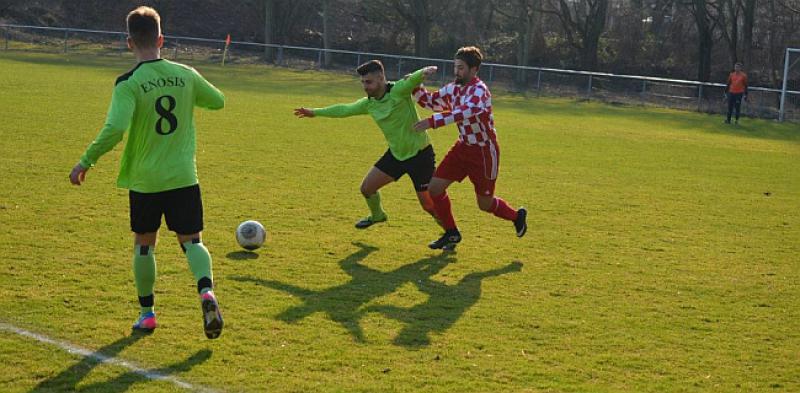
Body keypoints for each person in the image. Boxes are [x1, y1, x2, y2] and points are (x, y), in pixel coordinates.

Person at [68, 6, 225, 339]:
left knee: (144, 245)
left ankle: (147, 314)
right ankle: (206, 292)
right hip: (183, 176)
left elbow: (115, 129)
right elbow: (218, 101)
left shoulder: (128, 83)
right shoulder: (186, 73)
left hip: (146, 180)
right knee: (192, 241)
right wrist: (189, 94)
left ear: (129, 43)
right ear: (161, 39)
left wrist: (86, 160)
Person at [294, 61, 442, 229]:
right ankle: (378, 215)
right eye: (363, 82)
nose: (365, 86)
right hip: (396, 155)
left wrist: (423, 71)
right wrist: (314, 112)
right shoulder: (369, 104)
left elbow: (411, 81)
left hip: (420, 156)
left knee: (429, 205)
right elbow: (344, 110)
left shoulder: (398, 91)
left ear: (381, 78)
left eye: (369, 82)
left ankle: (449, 232)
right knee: (367, 188)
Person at [413, 46, 527, 250]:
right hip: (462, 147)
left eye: (461, 68)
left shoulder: (479, 91)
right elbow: (430, 102)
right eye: (455, 67)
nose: (457, 72)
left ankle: (516, 216)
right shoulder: (453, 88)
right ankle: (451, 233)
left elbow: (463, 112)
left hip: (484, 152)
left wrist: (432, 122)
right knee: (434, 188)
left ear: (474, 70)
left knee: (484, 204)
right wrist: (413, 83)